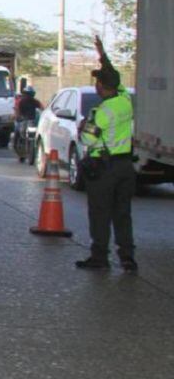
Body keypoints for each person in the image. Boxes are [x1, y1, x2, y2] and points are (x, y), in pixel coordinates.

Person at [76, 37, 136, 272]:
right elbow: (113, 75)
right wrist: (102, 54)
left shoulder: (100, 113)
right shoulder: (125, 100)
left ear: (101, 87)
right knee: (123, 214)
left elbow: (87, 140)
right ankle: (128, 258)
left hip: (104, 169)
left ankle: (99, 257)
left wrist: (82, 128)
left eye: (97, 82)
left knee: (100, 213)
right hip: (124, 167)